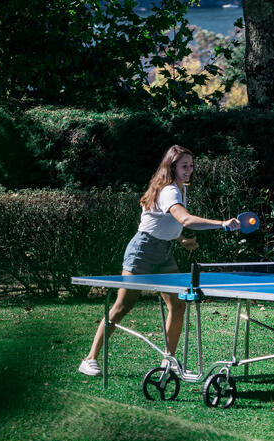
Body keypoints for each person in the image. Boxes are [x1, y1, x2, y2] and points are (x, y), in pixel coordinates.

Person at [78, 145, 240, 376]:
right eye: (184, 166)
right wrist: (222, 223)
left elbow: (167, 223)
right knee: (123, 306)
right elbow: (184, 219)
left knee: (178, 305)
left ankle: (169, 360)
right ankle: (90, 359)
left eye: (191, 166)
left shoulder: (180, 189)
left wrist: (181, 239)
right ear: (172, 167)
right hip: (142, 251)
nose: (189, 170)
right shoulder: (169, 191)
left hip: (164, 252)